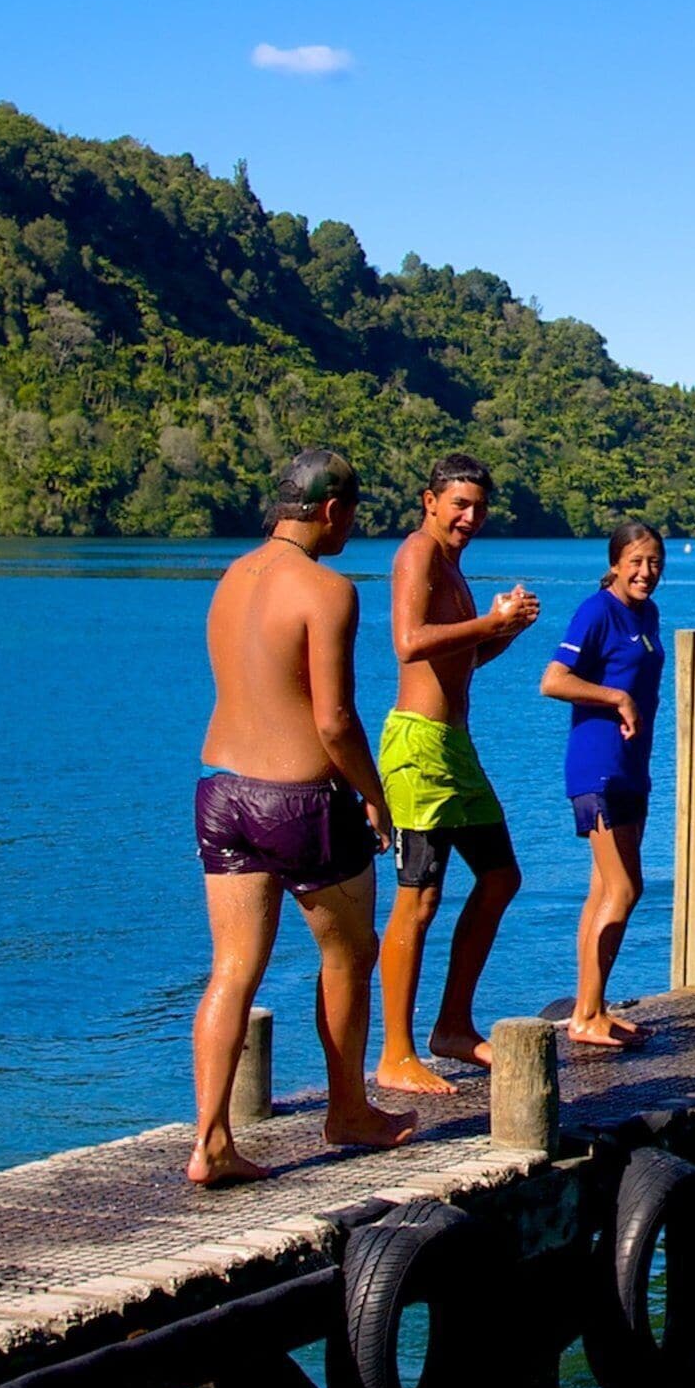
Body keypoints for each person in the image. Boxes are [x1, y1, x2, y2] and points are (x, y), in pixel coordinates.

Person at [188, 446, 415, 1182]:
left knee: (232, 969)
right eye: (351, 513)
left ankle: (211, 1142)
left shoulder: (231, 578)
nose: (351, 526)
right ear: (330, 510)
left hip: (223, 792)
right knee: (349, 952)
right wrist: (376, 799)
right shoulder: (328, 590)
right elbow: (336, 720)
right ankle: (347, 1107)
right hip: (301, 800)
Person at [374, 452, 541, 1094]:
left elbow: (461, 658)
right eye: (459, 504)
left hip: (455, 749)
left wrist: (506, 632)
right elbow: (410, 641)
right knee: (418, 899)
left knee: (500, 877)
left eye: (478, 506)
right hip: (417, 747)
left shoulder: (453, 568)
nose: (470, 517)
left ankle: (451, 1026)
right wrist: (490, 621)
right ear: (430, 501)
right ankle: (394, 1053)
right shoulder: (417, 553)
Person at [539, 521, 667, 1049]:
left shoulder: (648, 613)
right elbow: (553, 680)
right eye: (635, 561)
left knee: (602, 891)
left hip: (633, 765)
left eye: (655, 562)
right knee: (624, 888)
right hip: (598, 766)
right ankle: (586, 1014)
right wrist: (616, 698)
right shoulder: (596, 612)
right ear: (615, 563)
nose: (645, 572)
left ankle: (594, 1008)